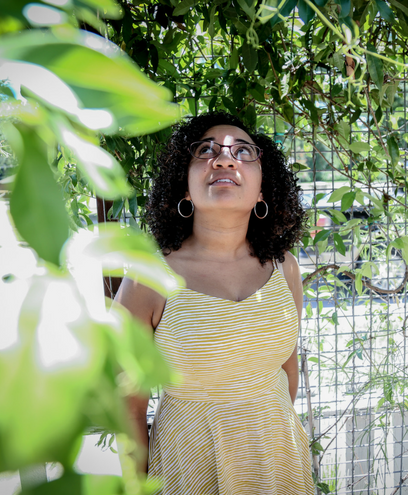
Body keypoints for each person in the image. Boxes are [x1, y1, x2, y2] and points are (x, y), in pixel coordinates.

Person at [114, 111, 314, 494]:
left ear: (261, 191)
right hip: (191, 463)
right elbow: (129, 406)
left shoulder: (284, 266)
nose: (224, 158)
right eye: (206, 150)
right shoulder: (148, 278)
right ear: (184, 188)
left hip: (279, 460)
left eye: (243, 151)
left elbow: (286, 371)